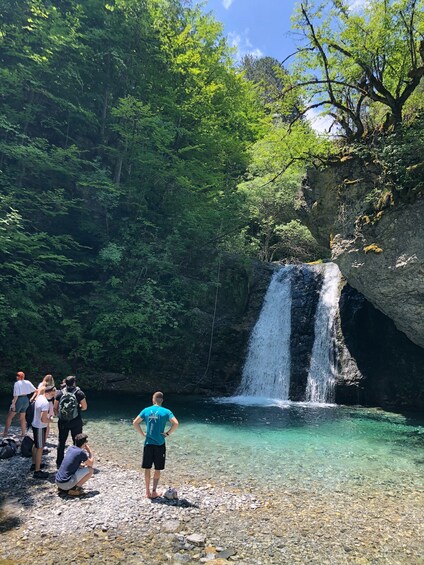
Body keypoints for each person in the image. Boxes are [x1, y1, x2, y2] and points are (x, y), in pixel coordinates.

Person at [133, 391, 179, 499]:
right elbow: (176, 423)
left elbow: (135, 422)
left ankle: (147, 492)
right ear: (162, 400)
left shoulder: (146, 410)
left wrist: (142, 433)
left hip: (148, 443)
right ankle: (154, 491)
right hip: (160, 444)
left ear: (153, 400)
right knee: (157, 468)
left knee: (147, 468)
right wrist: (167, 433)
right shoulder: (166, 411)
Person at [54, 375, 87, 468]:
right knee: (77, 441)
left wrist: (60, 415)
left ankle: (59, 462)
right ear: (74, 383)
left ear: (65, 383)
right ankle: (76, 462)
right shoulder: (79, 393)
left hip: (63, 421)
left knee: (62, 441)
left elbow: (55, 408)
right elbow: (85, 407)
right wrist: (78, 407)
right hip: (76, 421)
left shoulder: (60, 393)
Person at [31, 385, 56, 479]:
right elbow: (43, 419)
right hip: (40, 427)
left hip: (35, 424)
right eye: (52, 394)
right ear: (48, 393)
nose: (53, 396)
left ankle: (34, 464)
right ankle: (37, 471)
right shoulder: (45, 403)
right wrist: (51, 420)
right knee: (40, 448)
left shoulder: (39, 397)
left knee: (35, 445)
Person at [3, 371, 36, 437]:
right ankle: (23, 433)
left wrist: (13, 404)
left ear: (18, 377)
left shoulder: (17, 383)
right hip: (26, 399)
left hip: (19, 399)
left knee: (10, 416)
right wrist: (32, 398)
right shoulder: (28, 382)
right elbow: (36, 390)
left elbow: (16, 395)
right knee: (22, 418)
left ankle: (5, 432)